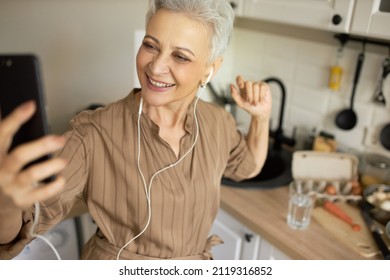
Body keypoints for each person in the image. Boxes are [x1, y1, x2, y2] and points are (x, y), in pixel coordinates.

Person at [0, 0, 272, 260]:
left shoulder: (217, 122)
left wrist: (261, 118)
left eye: (180, 56)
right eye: (150, 45)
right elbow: (23, 226)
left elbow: (246, 167)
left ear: (210, 69)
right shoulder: (92, 132)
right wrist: (5, 202)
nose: (156, 66)